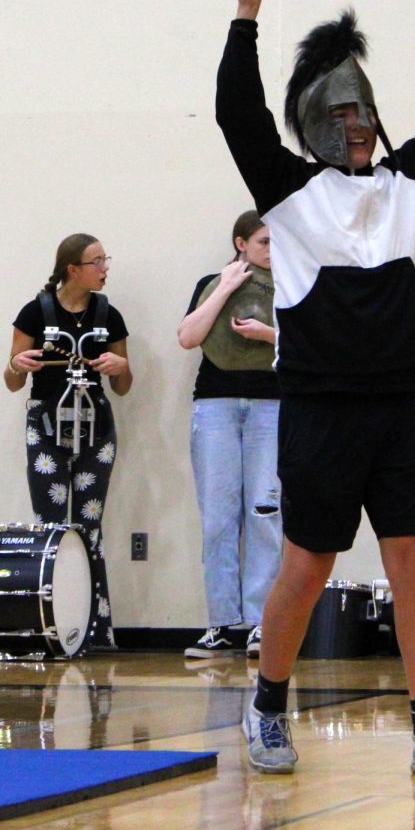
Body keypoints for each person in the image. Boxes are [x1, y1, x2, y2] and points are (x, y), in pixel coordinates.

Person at [216, 0, 415, 777]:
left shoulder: (411, 185)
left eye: (364, 113)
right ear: (315, 125)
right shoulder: (290, 194)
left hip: (404, 403)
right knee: (308, 562)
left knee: (413, 561)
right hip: (321, 407)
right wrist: (245, 17)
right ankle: (266, 709)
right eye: (341, 117)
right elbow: (237, 115)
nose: (358, 127)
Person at [4, 233, 132, 648]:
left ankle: (96, 628)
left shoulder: (108, 314)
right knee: (53, 526)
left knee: (89, 526)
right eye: (97, 261)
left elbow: (124, 385)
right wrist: (16, 365)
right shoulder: (34, 313)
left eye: (104, 260)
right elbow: (11, 380)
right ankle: (52, 624)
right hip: (46, 427)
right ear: (72, 269)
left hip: (96, 429)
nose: (105, 268)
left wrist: (120, 367)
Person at [178, 211, 282, 661]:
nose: (272, 251)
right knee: (219, 516)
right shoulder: (211, 281)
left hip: (272, 406)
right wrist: (224, 286)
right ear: (241, 243)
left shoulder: (295, 283)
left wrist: (267, 334)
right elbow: (188, 337)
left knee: (265, 511)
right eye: (264, 242)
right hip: (217, 405)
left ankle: (261, 623)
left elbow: (313, 344)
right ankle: (221, 623)